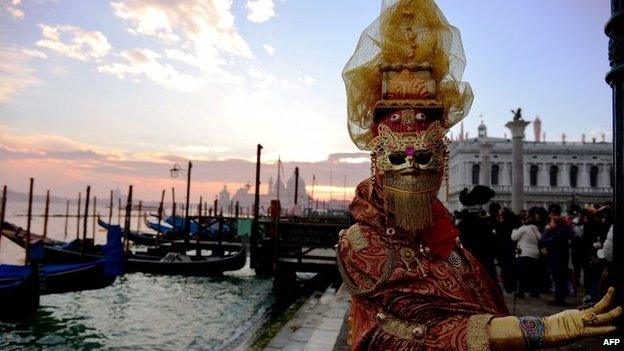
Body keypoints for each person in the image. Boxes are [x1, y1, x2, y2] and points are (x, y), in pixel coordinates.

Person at [338, 0, 621, 349]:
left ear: (441, 161)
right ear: (378, 162)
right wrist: (540, 330)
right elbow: (415, 334)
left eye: (424, 156)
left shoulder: (447, 241)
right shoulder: (361, 244)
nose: (412, 166)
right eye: (398, 157)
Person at [511, 216, 541, 298]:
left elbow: (514, 237)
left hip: (524, 253)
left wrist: (514, 230)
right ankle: (535, 292)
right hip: (535, 254)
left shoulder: (524, 228)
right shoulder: (536, 230)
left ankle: (521, 292)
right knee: (533, 274)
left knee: (522, 274)